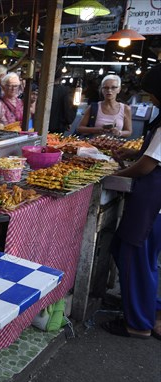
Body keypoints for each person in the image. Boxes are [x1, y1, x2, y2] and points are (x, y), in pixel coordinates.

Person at [103, 63, 161, 340]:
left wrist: (117, 173)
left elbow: (147, 166)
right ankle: (141, 305)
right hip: (152, 200)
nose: (149, 98)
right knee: (130, 252)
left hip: (152, 203)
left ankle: (138, 323)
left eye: (152, 93)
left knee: (135, 255)